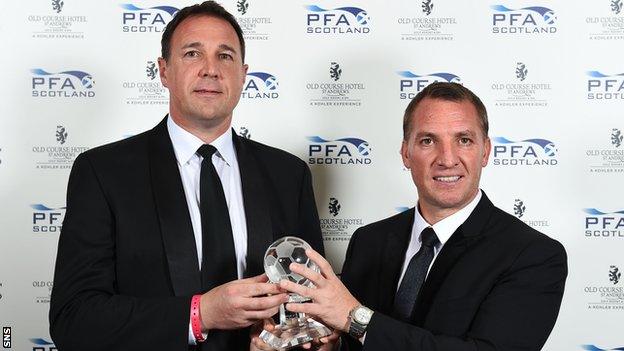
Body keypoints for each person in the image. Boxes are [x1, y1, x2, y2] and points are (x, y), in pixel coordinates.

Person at [49, 2, 323, 350]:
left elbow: (311, 307)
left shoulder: (289, 175)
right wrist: (200, 313)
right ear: (163, 71)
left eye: (225, 56)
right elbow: (73, 318)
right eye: (193, 54)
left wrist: (308, 339)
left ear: (244, 74)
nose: (210, 70)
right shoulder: (104, 173)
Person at [265, 82, 567, 351]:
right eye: (428, 141)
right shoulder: (369, 241)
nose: (447, 159)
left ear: (485, 151)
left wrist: (354, 318)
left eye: (463, 140)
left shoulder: (533, 255)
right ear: (406, 154)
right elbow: (357, 341)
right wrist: (331, 344)